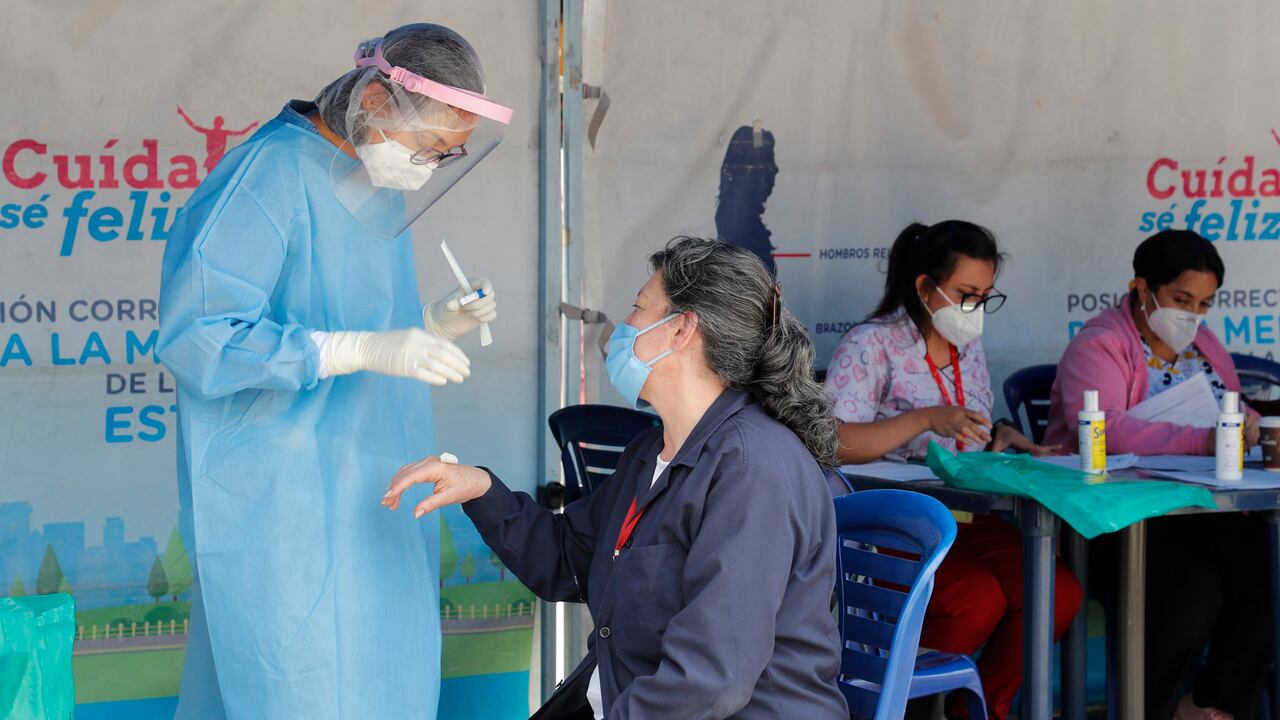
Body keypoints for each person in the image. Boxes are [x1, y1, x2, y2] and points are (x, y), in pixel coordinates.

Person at [157, 24, 508, 719]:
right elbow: (199, 336)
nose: (428, 167)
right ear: (374, 100)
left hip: (371, 503)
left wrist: (431, 325)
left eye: (447, 155)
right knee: (297, 688)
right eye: (428, 148)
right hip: (284, 514)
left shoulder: (367, 179)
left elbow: (355, 318)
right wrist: (352, 351)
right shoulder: (267, 176)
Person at [384, 237, 850, 719]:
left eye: (638, 308)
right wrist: (480, 488)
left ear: (681, 330)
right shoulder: (651, 452)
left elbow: (711, 679)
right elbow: (569, 560)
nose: (625, 325)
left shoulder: (753, 471)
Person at [825, 220, 1081, 719]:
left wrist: (1000, 436)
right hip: (897, 527)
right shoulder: (872, 343)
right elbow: (834, 442)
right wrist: (923, 419)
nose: (975, 309)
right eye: (966, 295)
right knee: (974, 600)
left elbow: (967, 427)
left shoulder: (966, 346)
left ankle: (982, 707)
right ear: (925, 286)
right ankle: (907, 705)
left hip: (968, 517)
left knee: (1057, 594)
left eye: (985, 297)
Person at [1046, 229, 1269, 720]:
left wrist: (1255, 427)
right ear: (1141, 288)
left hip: (1197, 513)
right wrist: (1204, 439)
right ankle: (1149, 711)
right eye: (1181, 300)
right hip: (1113, 522)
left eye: (1204, 304)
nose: (1192, 315)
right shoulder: (1100, 344)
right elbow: (1106, 430)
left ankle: (1212, 704)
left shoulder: (1204, 344)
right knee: (1190, 590)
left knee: (1269, 565)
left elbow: (1234, 408)